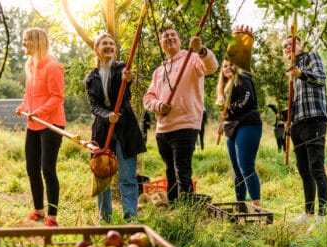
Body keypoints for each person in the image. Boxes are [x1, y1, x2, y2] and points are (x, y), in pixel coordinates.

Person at [143, 26, 218, 202]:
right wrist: (158, 105)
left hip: (185, 124)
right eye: (164, 36)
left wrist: (201, 50)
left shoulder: (192, 59)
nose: (169, 38)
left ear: (180, 40)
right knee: (170, 170)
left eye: (172, 35)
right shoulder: (159, 71)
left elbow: (212, 66)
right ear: (161, 44)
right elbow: (148, 98)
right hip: (163, 129)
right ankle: (174, 207)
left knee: (182, 170)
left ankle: (186, 213)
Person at [84, 33, 146, 223]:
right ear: (96, 49)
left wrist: (128, 80)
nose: (109, 46)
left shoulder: (122, 69)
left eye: (112, 43)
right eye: (104, 44)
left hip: (125, 129)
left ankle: (130, 218)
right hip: (103, 131)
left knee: (127, 176)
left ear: (115, 49)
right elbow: (94, 105)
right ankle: (105, 217)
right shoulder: (90, 78)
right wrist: (106, 116)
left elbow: (124, 94)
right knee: (102, 176)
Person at [15, 28, 66, 227]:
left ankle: (52, 215)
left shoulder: (52, 66)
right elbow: (29, 95)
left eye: (26, 40)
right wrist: (23, 107)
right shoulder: (30, 64)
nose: (23, 44)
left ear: (36, 41)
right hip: (34, 123)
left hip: (51, 123)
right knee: (31, 167)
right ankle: (38, 210)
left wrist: (41, 112)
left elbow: (57, 97)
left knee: (47, 168)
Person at [282, 36, 327, 225]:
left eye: (291, 44)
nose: (287, 47)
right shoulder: (291, 71)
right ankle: (309, 213)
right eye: (284, 46)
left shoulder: (311, 57)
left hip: (314, 120)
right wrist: (289, 119)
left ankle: (323, 216)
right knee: (304, 170)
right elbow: (295, 101)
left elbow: (320, 79)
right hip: (298, 124)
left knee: (316, 168)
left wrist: (300, 73)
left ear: (300, 45)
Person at [215, 25, 262, 207]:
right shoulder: (225, 88)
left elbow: (246, 99)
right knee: (236, 169)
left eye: (230, 64)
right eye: (224, 66)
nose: (227, 67)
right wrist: (224, 118)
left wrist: (242, 41)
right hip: (232, 128)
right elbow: (229, 111)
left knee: (246, 166)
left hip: (248, 125)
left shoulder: (243, 78)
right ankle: (240, 205)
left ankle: (257, 207)